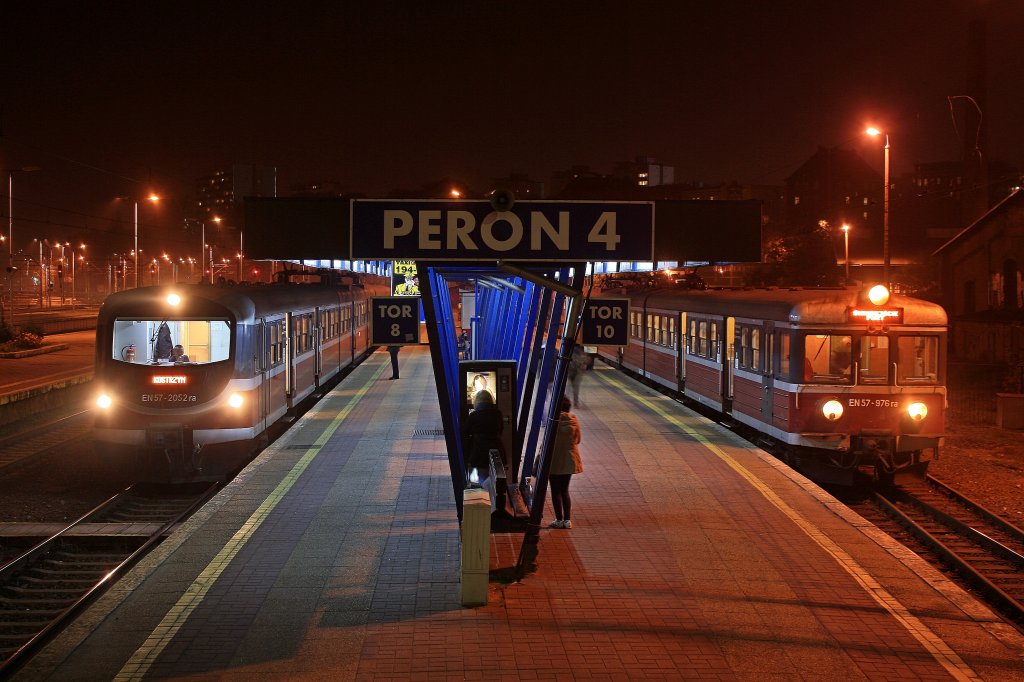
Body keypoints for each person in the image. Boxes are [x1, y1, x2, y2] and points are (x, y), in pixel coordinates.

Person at [548, 396, 582, 529]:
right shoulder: (573, 420)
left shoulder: (554, 421)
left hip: (554, 459)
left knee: (555, 491)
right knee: (564, 490)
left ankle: (558, 519)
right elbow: (578, 440)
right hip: (569, 459)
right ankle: (567, 520)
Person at [462, 390, 504, 484]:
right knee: (494, 481)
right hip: (496, 452)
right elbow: (500, 430)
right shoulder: (497, 414)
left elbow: (464, 433)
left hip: (478, 454)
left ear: (476, 401)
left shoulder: (473, 415)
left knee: (477, 482)